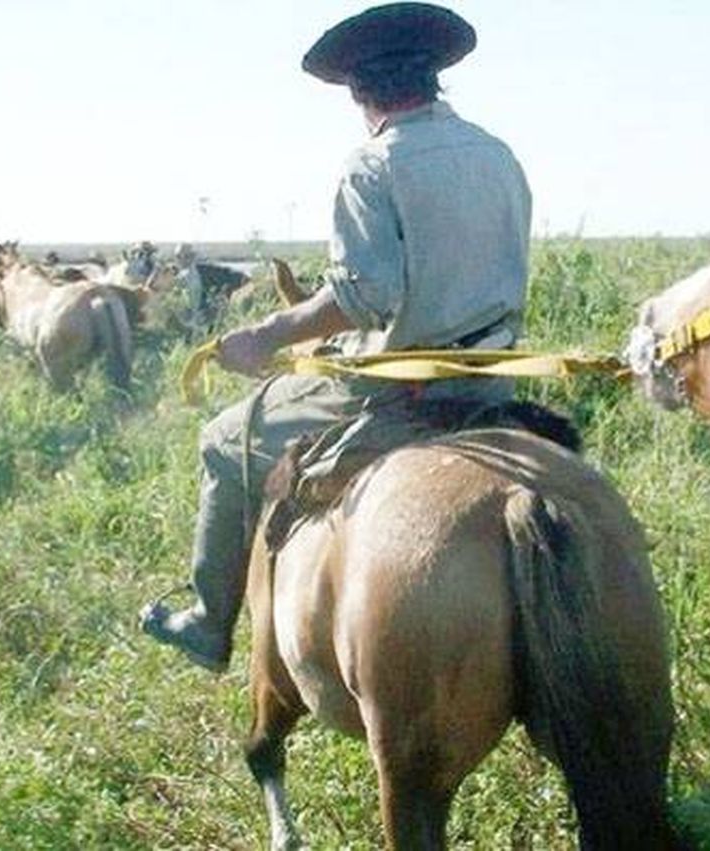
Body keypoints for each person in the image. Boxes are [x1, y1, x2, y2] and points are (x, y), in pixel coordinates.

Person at [141, 2, 531, 673]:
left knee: (222, 439)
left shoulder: (373, 165)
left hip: (398, 395)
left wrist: (266, 333)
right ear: (436, 76)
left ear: (358, 91)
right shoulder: (498, 153)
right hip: (492, 379)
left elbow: (364, 295)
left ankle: (208, 622)